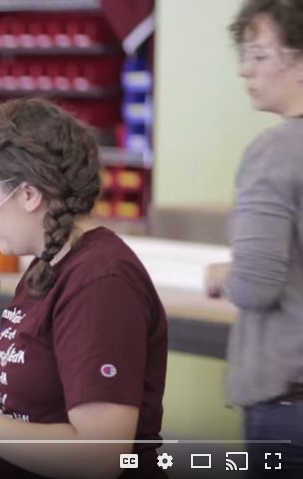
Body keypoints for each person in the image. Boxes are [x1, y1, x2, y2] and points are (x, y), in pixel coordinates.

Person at [0, 98, 168, 479]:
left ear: (28, 194)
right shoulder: (47, 265)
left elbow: (99, 456)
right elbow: (36, 417)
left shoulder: (101, 283)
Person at [205, 0, 303, 475]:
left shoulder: (276, 152)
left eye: (260, 55)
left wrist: (225, 275)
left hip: (290, 398)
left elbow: (256, 286)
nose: (245, 70)